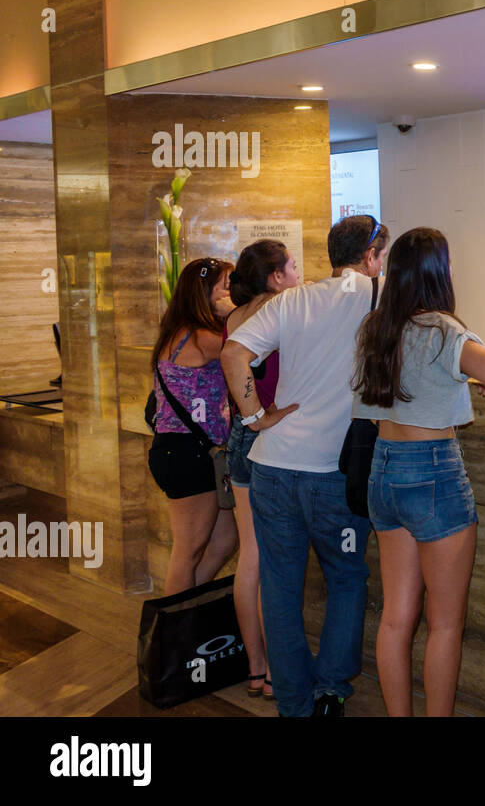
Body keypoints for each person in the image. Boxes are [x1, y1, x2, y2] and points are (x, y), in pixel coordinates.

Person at [220, 215, 388, 718]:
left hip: (272, 468)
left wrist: (254, 417)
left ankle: (292, 703)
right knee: (345, 579)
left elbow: (233, 354)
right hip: (334, 475)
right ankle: (331, 689)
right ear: (372, 255)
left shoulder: (293, 299)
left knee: (280, 586)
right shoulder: (377, 295)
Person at [352, 227, 485, 717]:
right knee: (445, 623)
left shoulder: (376, 328)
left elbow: (413, 382)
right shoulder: (445, 328)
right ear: (439, 272)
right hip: (434, 474)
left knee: (397, 618)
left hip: (383, 469)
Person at [221, 239, 299, 700]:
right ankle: (277, 673)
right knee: (271, 561)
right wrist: (262, 416)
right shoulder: (281, 308)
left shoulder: (232, 317)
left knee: (249, 557)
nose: (296, 274)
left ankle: (256, 667)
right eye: (291, 266)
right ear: (275, 276)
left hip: (236, 440)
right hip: (265, 437)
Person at [147, 257, 237, 596]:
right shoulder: (200, 336)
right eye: (227, 285)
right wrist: (234, 312)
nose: (233, 292)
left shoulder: (183, 331)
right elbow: (250, 346)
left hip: (192, 451)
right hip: (186, 451)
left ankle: (189, 604)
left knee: (225, 537)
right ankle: (176, 634)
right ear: (205, 292)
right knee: (188, 550)